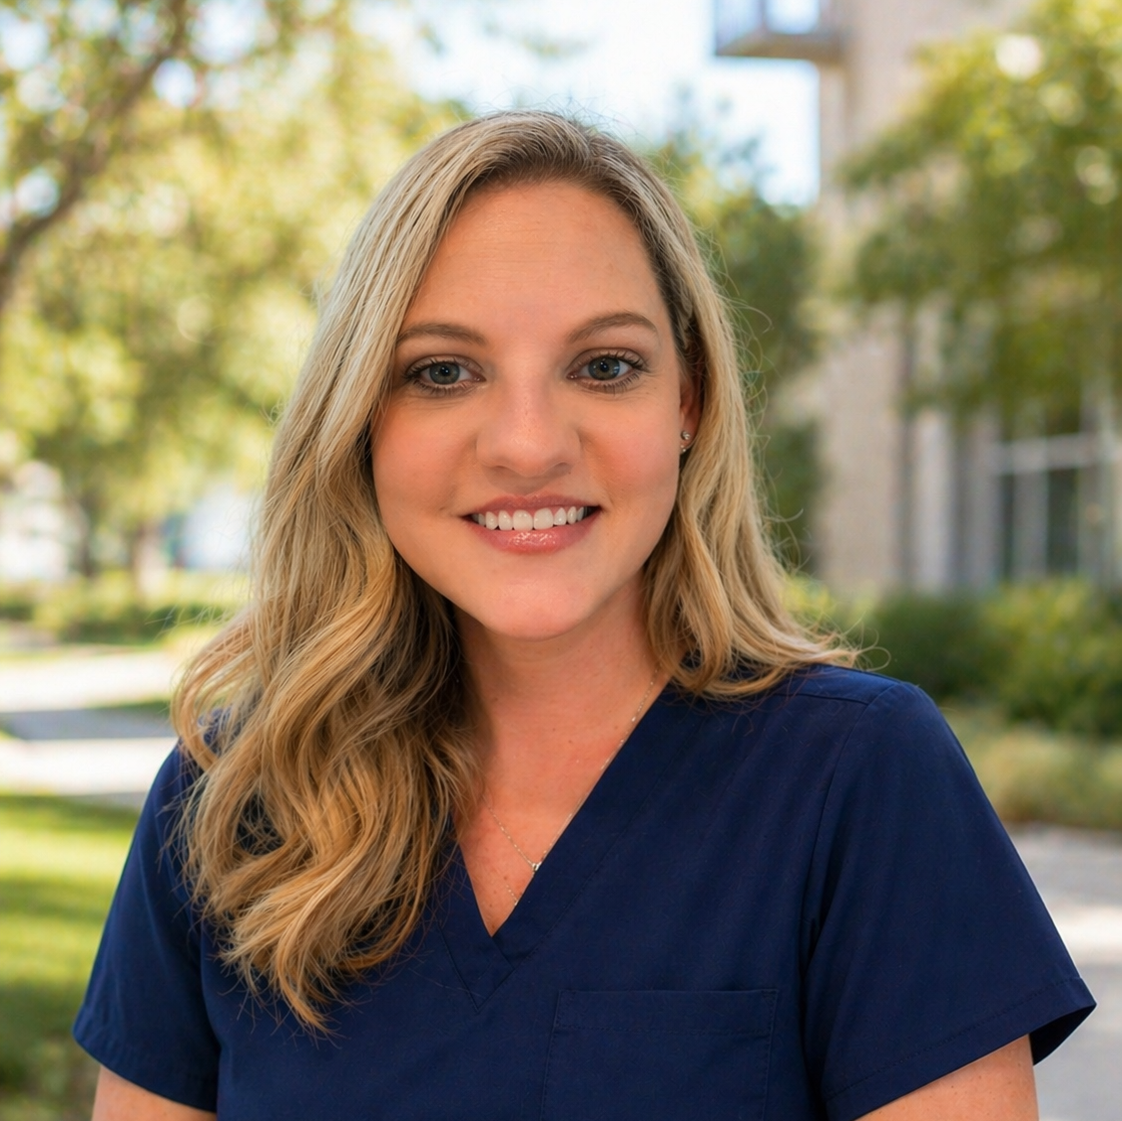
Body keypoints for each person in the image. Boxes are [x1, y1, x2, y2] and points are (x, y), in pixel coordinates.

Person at [76, 111, 1093, 1121]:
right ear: (361, 419)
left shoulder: (858, 779)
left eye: (604, 365)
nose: (527, 445)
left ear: (687, 401)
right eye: (443, 371)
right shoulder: (232, 798)